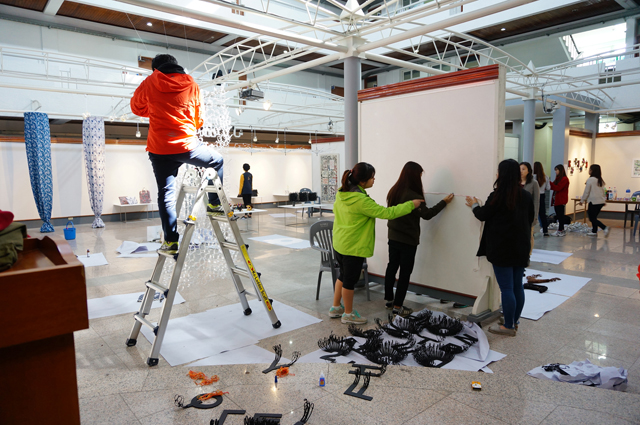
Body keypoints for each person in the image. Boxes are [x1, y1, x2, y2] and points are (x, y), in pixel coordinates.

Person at [131, 54, 224, 255]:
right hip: (187, 146)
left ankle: (171, 241)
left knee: (166, 195)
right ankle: (214, 204)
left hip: (159, 148)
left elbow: (136, 108)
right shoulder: (191, 84)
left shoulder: (150, 82)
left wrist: (155, 109)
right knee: (217, 161)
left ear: (155, 69)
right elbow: (199, 119)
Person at [329, 162, 424, 324]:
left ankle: (336, 307)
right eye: (372, 177)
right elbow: (387, 213)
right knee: (349, 281)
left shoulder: (342, 192)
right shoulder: (361, 200)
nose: (374, 180)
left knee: (343, 276)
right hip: (353, 246)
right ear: (362, 181)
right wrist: (411, 205)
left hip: (340, 242)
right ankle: (348, 314)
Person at [465, 159, 534, 336]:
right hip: (521, 247)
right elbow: (530, 220)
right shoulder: (526, 195)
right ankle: (514, 321)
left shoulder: (497, 196)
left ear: (501, 175)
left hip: (502, 248)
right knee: (517, 286)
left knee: (507, 288)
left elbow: (482, 215)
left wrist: (474, 205)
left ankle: (508, 327)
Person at [383, 161, 453, 317]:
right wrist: (444, 202)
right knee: (405, 272)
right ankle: (398, 306)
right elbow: (427, 215)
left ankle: (389, 300)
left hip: (393, 236)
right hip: (407, 239)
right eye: (420, 175)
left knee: (392, 266)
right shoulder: (414, 196)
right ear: (415, 176)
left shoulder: (394, 191)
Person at [580, 164, 609, 237]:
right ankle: (594, 231)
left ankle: (605, 228)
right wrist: (604, 201)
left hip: (593, 202)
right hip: (600, 202)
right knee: (594, 217)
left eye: (590, 169)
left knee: (592, 218)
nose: (589, 171)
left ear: (592, 171)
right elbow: (603, 191)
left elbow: (586, 191)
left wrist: (582, 200)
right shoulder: (600, 180)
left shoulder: (590, 180)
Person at [520, 162, 539, 253]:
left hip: (528, 213)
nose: (521, 171)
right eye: (520, 169)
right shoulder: (515, 182)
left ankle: (528, 253)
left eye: (523, 169)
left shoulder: (533, 183)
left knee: (529, 234)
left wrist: (535, 215)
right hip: (517, 213)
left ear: (528, 171)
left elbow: (536, 200)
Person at [549, 164, 570, 237]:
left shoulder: (564, 179)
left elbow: (557, 188)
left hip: (560, 200)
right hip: (557, 200)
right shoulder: (558, 179)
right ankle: (561, 229)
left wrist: (549, 182)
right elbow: (553, 186)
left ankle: (560, 230)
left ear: (561, 170)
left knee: (560, 216)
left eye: (557, 170)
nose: (555, 172)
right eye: (555, 170)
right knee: (559, 215)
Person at [534, 162, 550, 236]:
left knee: (532, 213)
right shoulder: (546, 177)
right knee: (542, 214)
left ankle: (531, 231)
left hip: (534, 195)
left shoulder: (532, 177)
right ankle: (545, 231)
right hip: (542, 195)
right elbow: (548, 187)